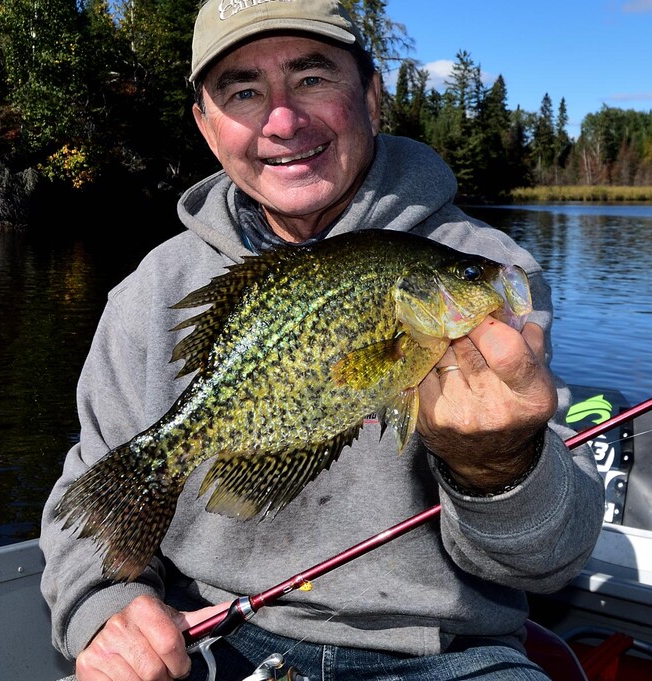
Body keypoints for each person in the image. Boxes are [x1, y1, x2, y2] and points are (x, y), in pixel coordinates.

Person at [40, 0, 604, 678]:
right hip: (221, 645)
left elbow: (551, 559)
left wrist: (499, 465)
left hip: (449, 656)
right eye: (244, 91)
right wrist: (107, 606)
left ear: (371, 94)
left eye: (312, 78)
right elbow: (89, 499)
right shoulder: (152, 293)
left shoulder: (483, 264)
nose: (283, 120)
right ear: (206, 125)